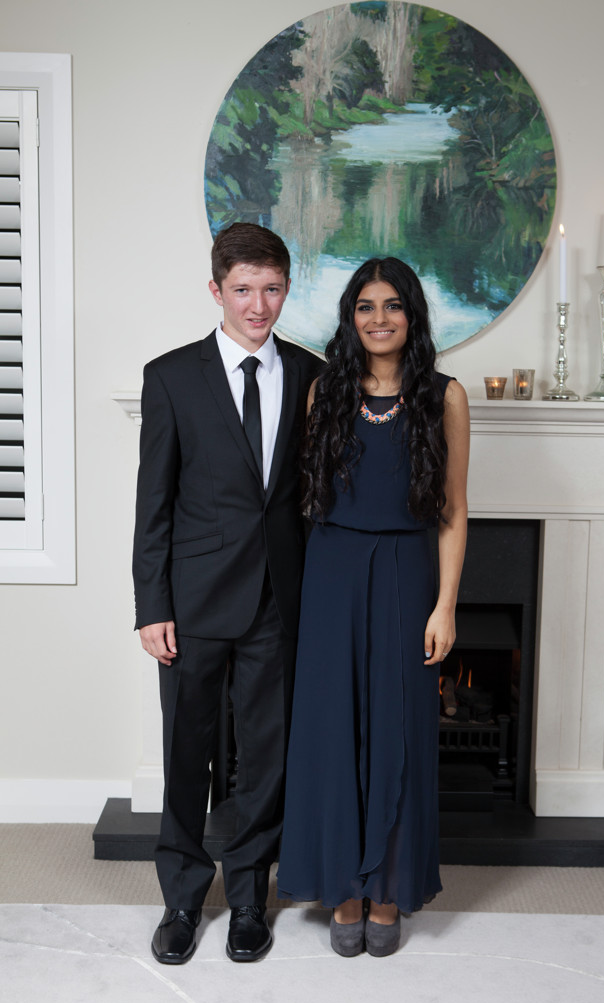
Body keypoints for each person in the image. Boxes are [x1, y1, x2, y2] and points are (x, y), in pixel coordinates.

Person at [132, 222, 322, 965]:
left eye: (272, 289)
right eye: (243, 289)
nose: (258, 305)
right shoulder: (170, 377)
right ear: (216, 290)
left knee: (266, 757)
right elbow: (153, 503)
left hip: (279, 598)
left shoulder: (310, 375)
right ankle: (182, 898)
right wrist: (152, 605)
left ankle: (248, 897)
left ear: (287, 289)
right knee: (187, 753)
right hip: (193, 602)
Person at [276, 256, 469, 956]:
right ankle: (344, 889)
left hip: (406, 573)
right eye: (365, 306)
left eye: (392, 305)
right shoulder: (324, 391)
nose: (378, 318)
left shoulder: (445, 396)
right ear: (350, 317)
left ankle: (387, 889)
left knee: (398, 730)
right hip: (331, 572)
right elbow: (304, 502)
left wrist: (445, 606)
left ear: (412, 316)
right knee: (331, 732)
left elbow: (454, 510)